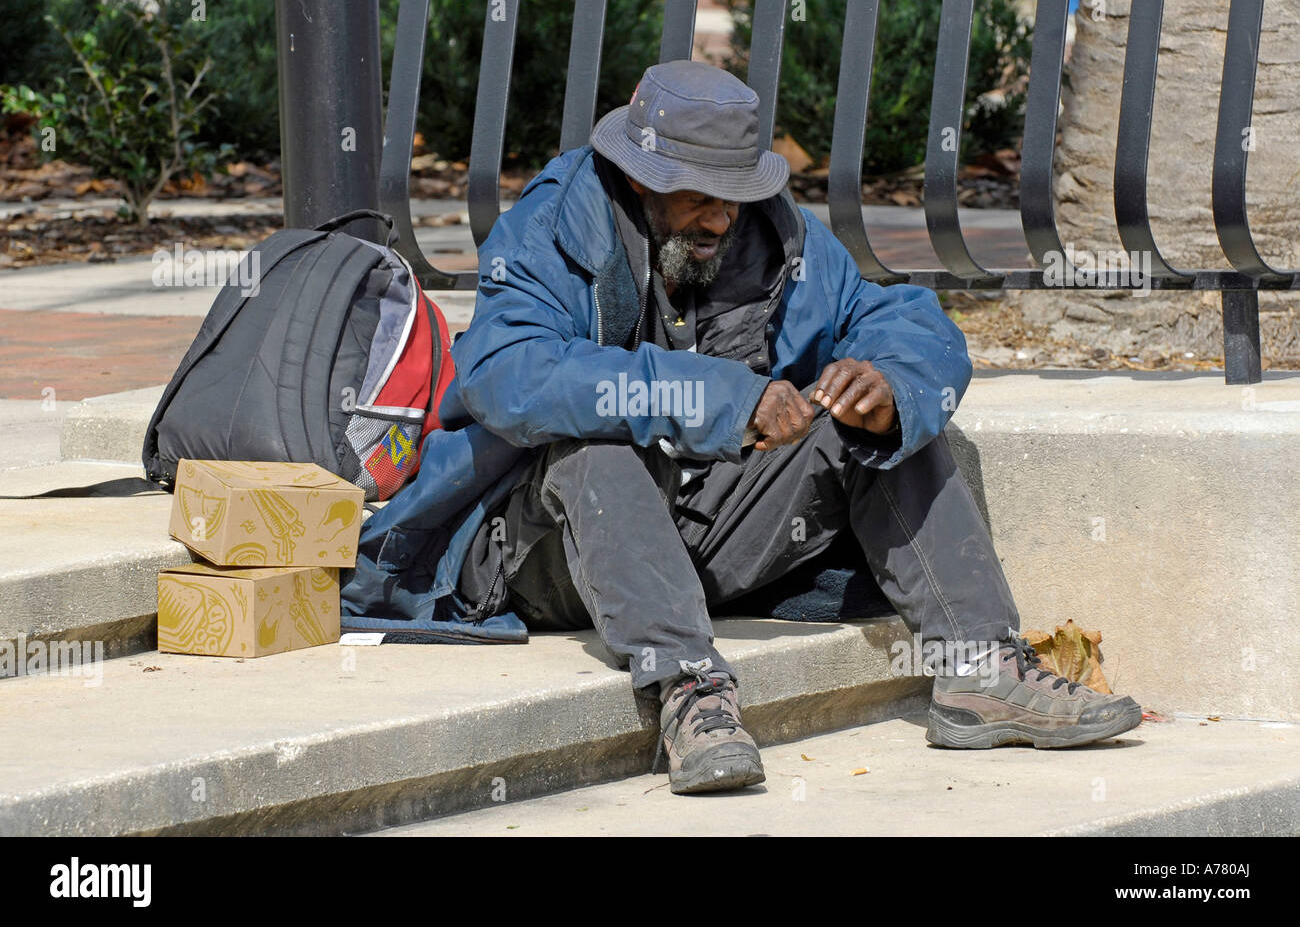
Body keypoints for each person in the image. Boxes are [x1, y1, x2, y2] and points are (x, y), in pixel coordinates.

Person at [444, 60, 1141, 793]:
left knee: (870, 417)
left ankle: (981, 672)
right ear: (641, 176)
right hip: (556, 551)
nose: (721, 218)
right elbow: (506, 372)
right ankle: (690, 697)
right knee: (596, 446)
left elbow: (894, 319)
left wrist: (893, 384)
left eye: (736, 198)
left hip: (703, 532)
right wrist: (719, 399)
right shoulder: (554, 225)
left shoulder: (776, 238)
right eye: (701, 197)